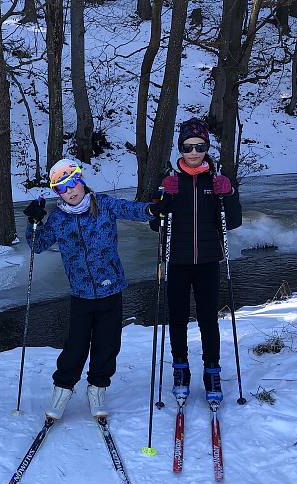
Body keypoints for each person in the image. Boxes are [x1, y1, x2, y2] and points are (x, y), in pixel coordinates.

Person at [23, 159, 156, 421]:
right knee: (75, 346)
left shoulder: (103, 204)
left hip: (111, 289)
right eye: (62, 187)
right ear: (56, 192)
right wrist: (33, 221)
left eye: (73, 182)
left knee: (107, 345)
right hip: (81, 294)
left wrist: (155, 209)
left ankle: (97, 390)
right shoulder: (59, 219)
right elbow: (37, 245)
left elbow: (134, 210)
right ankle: (61, 392)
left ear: (81, 180)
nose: (70, 191)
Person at [149, 117, 242, 405]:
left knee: (207, 319)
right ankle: (180, 369)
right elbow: (155, 224)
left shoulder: (216, 180)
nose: (193, 152)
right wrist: (162, 204)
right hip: (175, 260)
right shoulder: (168, 181)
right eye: (188, 147)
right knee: (176, 319)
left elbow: (234, 221)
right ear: (180, 148)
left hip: (208, 262)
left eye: (199, 146)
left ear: (207, 147)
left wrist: (228, 194)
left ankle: (212, 371)